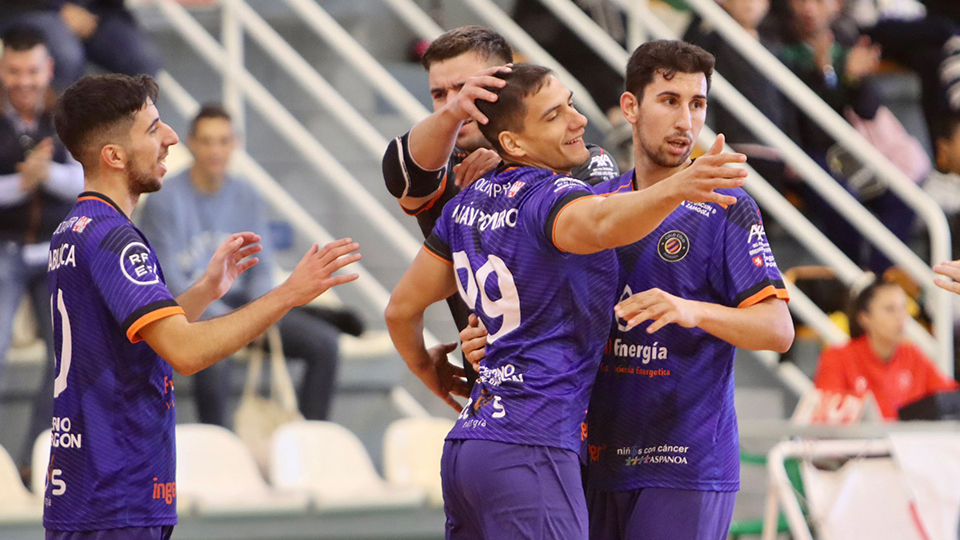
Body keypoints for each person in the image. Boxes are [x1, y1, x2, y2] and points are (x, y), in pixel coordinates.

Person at [385, 62, 748, 539]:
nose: (578, 121)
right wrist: (679, 185)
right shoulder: (554, 197)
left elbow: (400, 310)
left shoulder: (465, 204)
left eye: (572, 104)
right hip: (532, 446)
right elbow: (600, 223)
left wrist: (426, 369)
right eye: (556, 115)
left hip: (468, 449)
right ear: (513, 143)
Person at [461, 41, 795, 540]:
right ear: (631, 107)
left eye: (697, 104)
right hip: (591, 455)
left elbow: (778, 329)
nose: (686, 120)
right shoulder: (589, 203)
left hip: (682, 463)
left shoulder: (727, 206)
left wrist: (691, 310)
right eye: (669, 100)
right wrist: (490, 338)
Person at [44, 73, 360, 538]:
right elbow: (186, 352)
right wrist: (289, 294)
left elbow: (131, 336)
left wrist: (206, 291)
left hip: (85, 489)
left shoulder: (74, 228)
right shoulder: (116, 239)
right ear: (113, 156)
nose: (171, 137)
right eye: (153, 130)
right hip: (118, 494)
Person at [381, 25, 620, 383]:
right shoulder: (443, 169)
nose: (453, 104)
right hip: (498, 385)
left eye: (466, 89)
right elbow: (400, 173)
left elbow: (596, 232)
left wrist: (513, 170)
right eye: (439, 94)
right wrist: (424, 367)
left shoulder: (579, 156)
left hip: (591, 380)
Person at [139, 105, 346, 424]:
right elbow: (170, 281)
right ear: (191, 143)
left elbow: (263, 267)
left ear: (235, 144)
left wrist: (257, 313)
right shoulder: (164, 199)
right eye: (207, 141)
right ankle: (221, 454)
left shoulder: (247, 194)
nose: (215, 150)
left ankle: (310, 445)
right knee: (213, 357)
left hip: (246, 305)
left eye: (223, 141)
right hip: (197, 312)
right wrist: (231, 324)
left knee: (325, 344)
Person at [781, 0, 915, 274]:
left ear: (836, 6)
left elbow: (869, 109)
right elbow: (812, 130)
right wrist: (827, 75)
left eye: (818, 2)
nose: (808, 9)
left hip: (848, 155)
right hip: (803, 157)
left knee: (904, 199)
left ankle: (876, 280)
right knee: (841, 199)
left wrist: (856, 78)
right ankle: (855, 281)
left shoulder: (846, 40)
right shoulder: (779, 45)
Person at [0, 26, 84, 462]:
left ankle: (38, 459)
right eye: (14, 71)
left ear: (47, 69)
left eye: (31, 70)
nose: (23, 81)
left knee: (66, 360)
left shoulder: (66, 113)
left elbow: (88, 179)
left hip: (57, 250)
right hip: (6, 249)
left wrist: (45, 175)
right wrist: (24, 181)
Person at [814, 279, 957, 419]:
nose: (900, 317)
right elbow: (826, 414)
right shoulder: (837, 357)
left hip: (909, 441)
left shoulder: (912, 354)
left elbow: (950, 397)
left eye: (903, 308)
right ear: (865, 318)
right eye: (890, 309)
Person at [0, 1, 162, 91]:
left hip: (99, 10)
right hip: (32, 7)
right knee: (67, 56)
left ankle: (134, 139)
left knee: (143, 59)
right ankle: (59, 140)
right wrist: (60, 7)